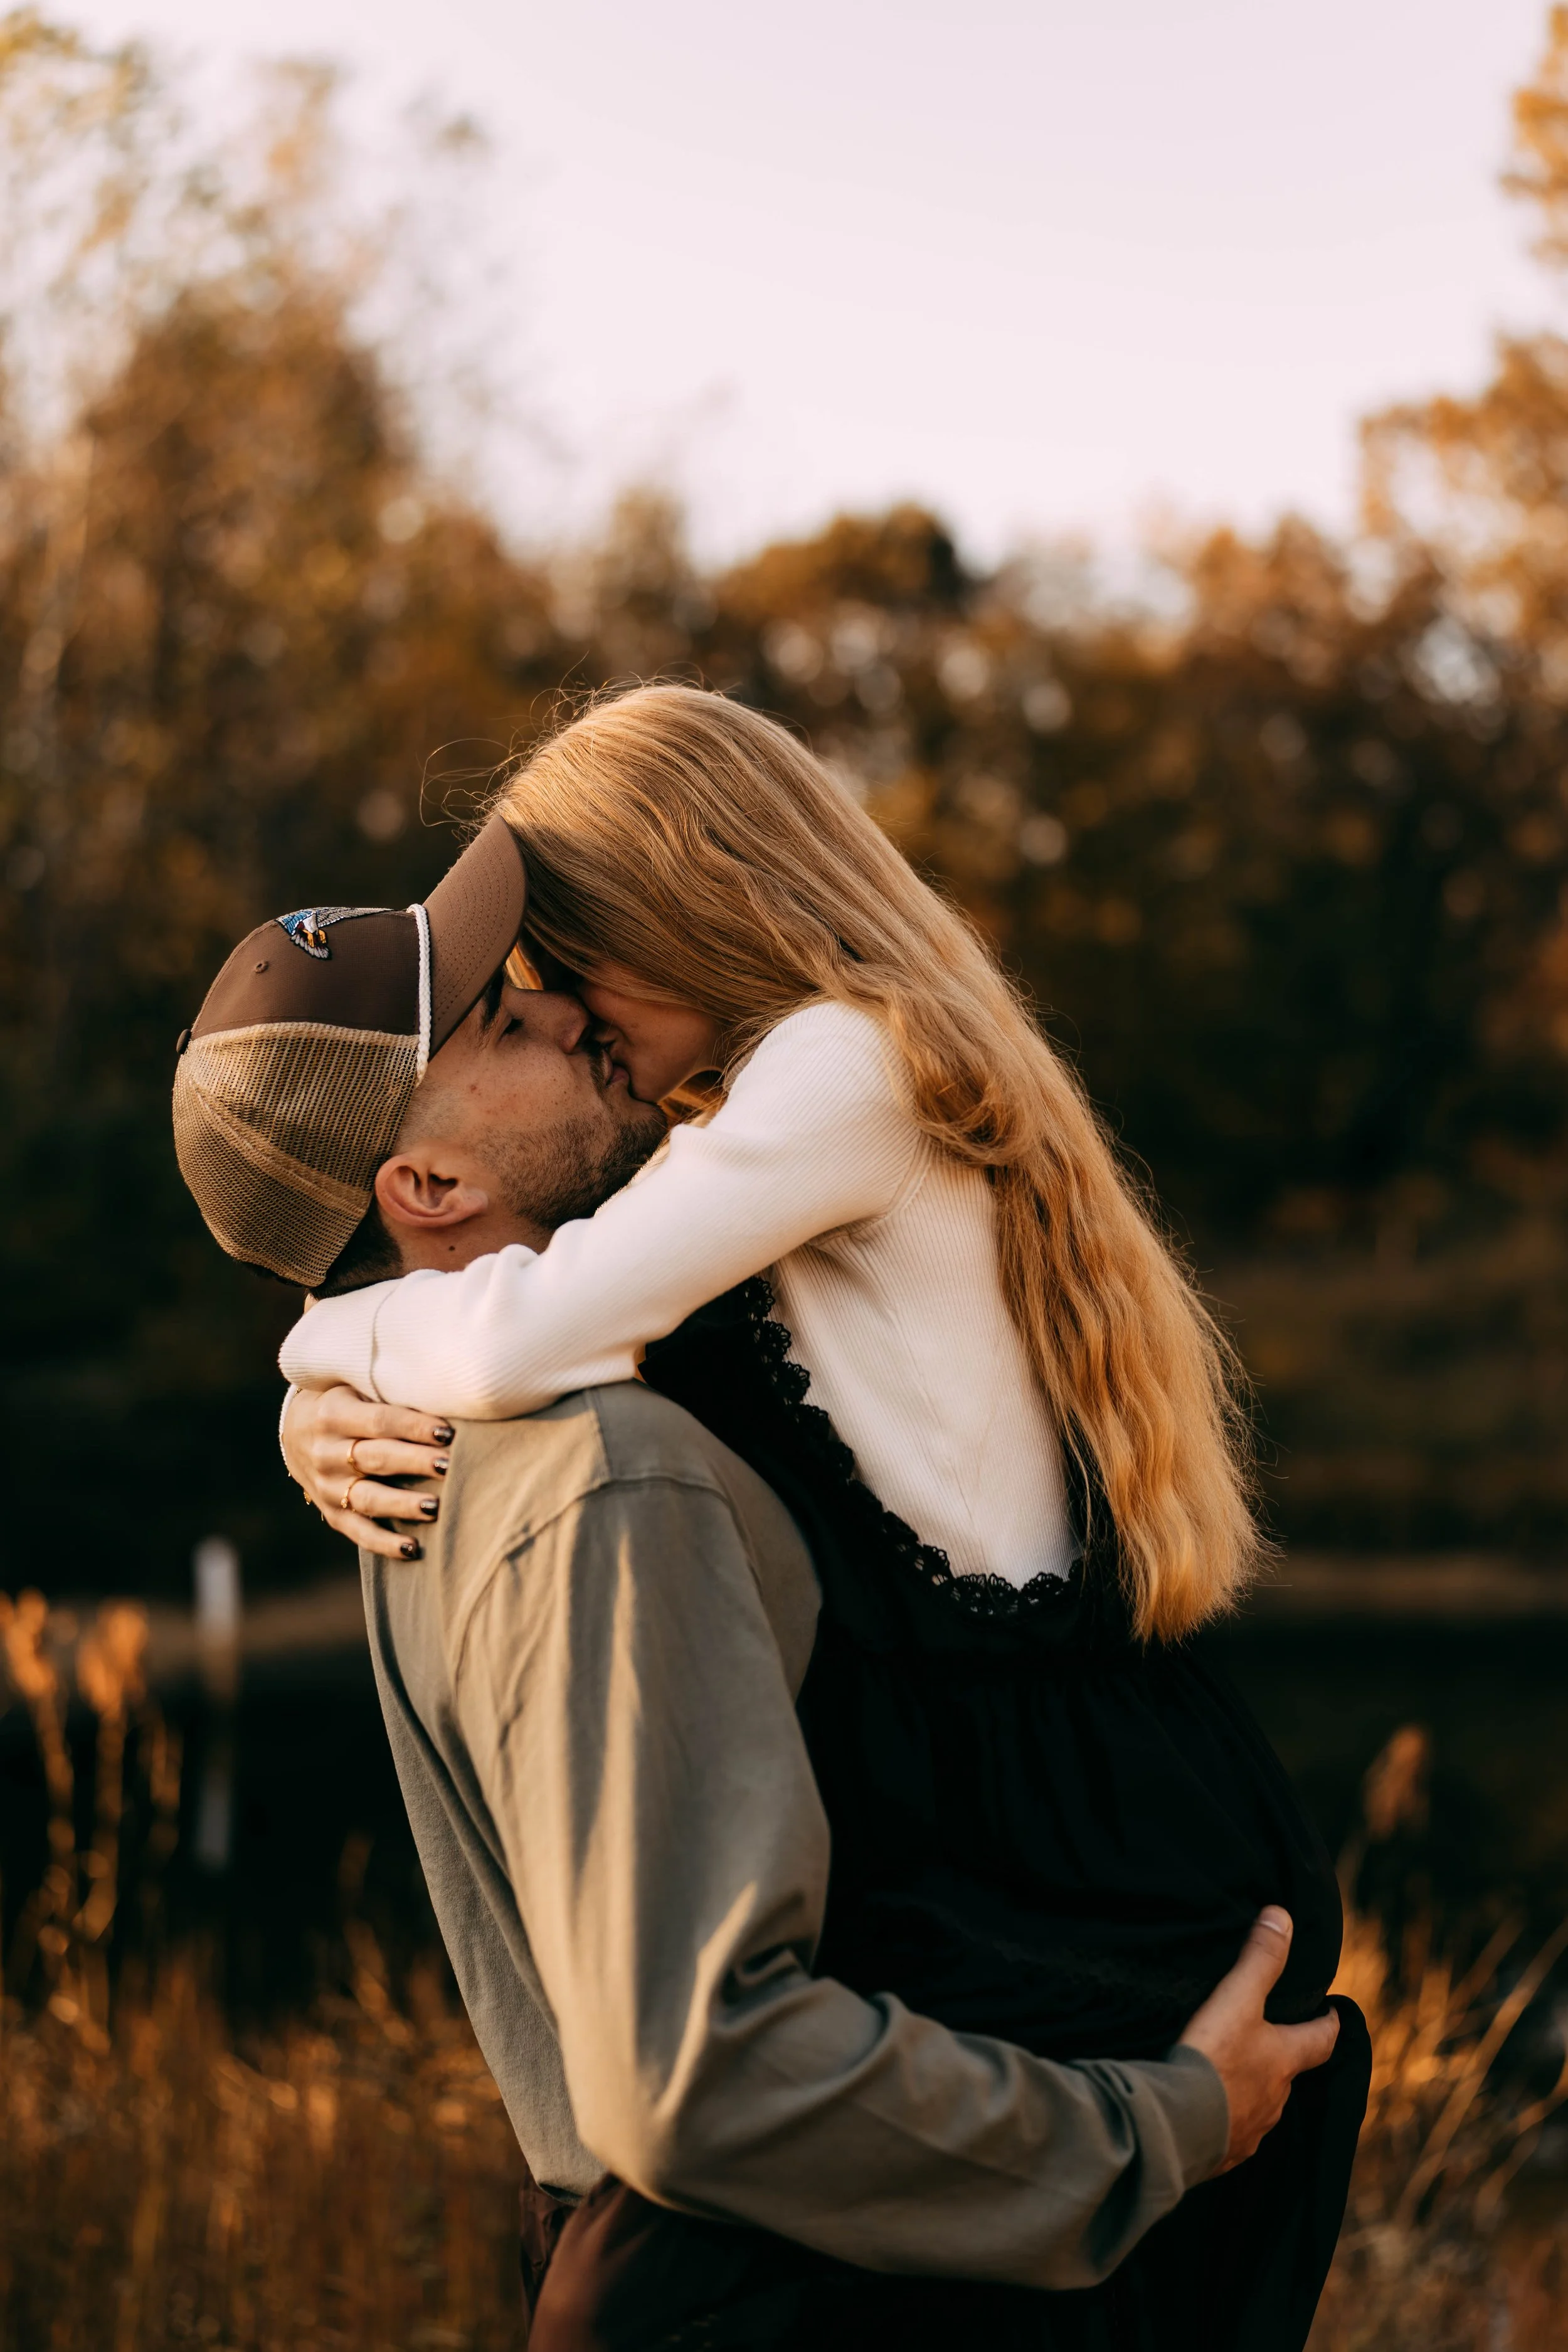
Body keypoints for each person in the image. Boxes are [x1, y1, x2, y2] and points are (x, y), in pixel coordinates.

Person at [270, 686, 1370, 2347]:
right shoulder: (769, 1108)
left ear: (698, 902)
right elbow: (544, 1300)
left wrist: (309, 1345)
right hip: (1009, 1798)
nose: (562, 1010)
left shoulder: (841, 1068)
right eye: (525, 993)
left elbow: (523, 1322)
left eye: (568, 959)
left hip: (1061, 1829)